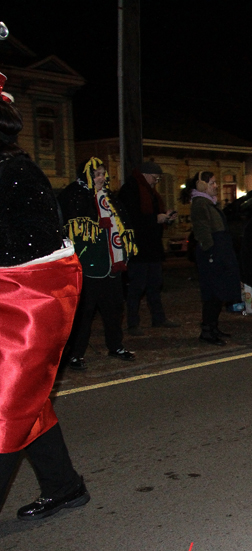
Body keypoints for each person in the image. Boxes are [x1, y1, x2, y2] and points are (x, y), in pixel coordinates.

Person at [0, 76, 90, 520]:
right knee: (28, 400)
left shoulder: (16, 172)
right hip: (13, 295)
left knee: (4, 408)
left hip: (28, 302)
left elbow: (32, 247)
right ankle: (64, 485)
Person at [60, 157, 138, 369]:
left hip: (112, 266)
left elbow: (123, 224)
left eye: (103, 173)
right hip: (88, 266)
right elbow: (70, 229)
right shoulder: (74, 195)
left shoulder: (109, 197)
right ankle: (75, 354)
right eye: (97, 174)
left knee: (113, 309)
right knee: (84, 314)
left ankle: (116, 345)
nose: (101, 178)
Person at [119, 161, 180, 335]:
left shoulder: (149, 192)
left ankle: (158, 318)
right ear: (145, 175)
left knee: (155, 284)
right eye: (155, 177)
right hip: (138, 248)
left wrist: (165, 217)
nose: (157, 181)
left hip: (152, 246)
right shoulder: (130, 190)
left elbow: (150, 215)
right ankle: (132, 322)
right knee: (136, 286)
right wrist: (155, 219)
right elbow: (130, 219)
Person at [188, 171, 242, 345]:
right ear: (202, 185)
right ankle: (207, 331)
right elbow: (202, 230)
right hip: (213, 254)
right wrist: (211, 252)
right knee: (212, 294)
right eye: (212, 183)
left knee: (219, 293)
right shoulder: (200, 203)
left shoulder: (208, 203)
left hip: (219, 251)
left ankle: (213, 327)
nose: (216, 186)